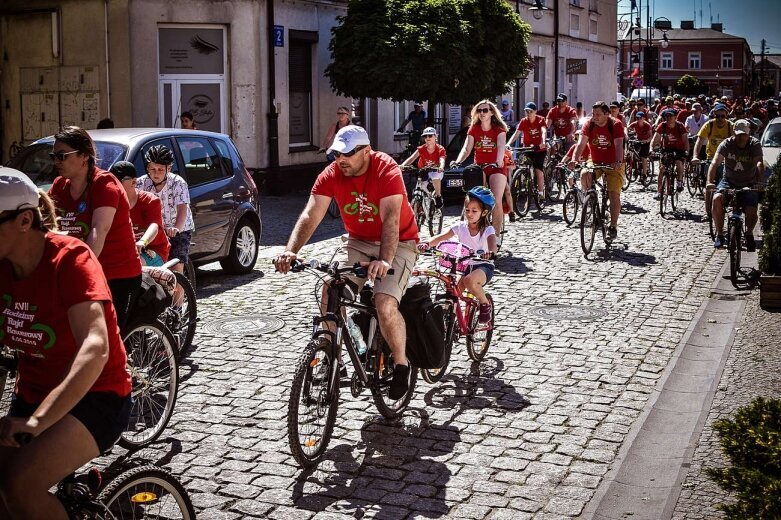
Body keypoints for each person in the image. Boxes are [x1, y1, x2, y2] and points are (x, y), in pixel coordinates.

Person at [0, 168, 132, 518]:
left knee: (20, 486)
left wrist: (37, 422)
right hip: (33, 393)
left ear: (25, 220)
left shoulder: (70, 259)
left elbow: (95, 348)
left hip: (97, 396)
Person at [273, 125, 419, 400]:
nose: (341, 160)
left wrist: (385, 260)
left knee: (384, 303)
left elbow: (391, 220)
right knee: (330, 288)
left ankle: (401, 364)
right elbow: (311, 213)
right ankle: (330, 357)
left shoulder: (386, 169)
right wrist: (290, 251)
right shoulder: (333, 173)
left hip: (399, 242)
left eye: (348, 154)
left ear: (366, 151)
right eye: (337, 154)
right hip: (358, 241)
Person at [47, 126, 142, 330]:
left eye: (62, 156)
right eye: (53, 156)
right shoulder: (59, 186)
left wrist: (78, 273)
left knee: (105, 338)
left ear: (84, 156)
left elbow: (98, 233)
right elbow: (49, 230)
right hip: (76, 272)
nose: (56, 161)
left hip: (117, 274)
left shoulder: (104, 184)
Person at [418, 187, 497, 322]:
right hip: (465, 265)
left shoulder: (488, 229)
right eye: (467, 210)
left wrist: (490, 253)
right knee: (452, 292)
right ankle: (450, 321)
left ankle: (485, 304)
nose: (469, 214)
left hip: (483, 266)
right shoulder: (460, 227)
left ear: (483, 213)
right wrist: (426, 244)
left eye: (474, 211)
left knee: (469, 281)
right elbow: (439, 238)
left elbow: (493, 246)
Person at [568, 101, 625, 241]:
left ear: (607, 114)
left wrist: (617, 161)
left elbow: (618, 145)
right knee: (585, 173)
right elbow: (581, 143)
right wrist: (574, 159)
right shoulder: (590, 124)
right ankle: (590, 199)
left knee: (613, 194)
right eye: (593, 114)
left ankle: (613, 225)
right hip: (596, 160)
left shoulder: (615, 124)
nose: (595, 117)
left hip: (614, 163)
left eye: (598, 114)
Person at [452, 100, 509, 242]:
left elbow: (501, 145)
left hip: (496, 166)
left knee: (495, 199)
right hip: (480, 166)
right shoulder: (474, 128)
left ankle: (495, 236)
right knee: (475, 198)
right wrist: (458, 161)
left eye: (485, 110)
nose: (482, 113)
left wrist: (499, 160)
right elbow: (467, 148)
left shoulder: (499, 129)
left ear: (491, 113)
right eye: (479, 110)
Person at [136, 145, 194, 276]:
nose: (156, 173)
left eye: (160, 169)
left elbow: (182, 209)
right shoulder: (141, 183)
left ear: (169, 168)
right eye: (152, 169)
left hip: (178, 229)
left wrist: (176, 228)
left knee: (175, 269)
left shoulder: (178, 183)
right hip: (154, 230)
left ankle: (179, 292)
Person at [707, 120, 764, 250]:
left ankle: (749, 233)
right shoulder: (726, 144)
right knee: (716, 199)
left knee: (751, 209)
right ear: (734, 132)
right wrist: (709, 182)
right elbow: (715, 163)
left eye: (744, 134)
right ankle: (720, 235)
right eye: (738, 134)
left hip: (749, 182)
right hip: (729, 181)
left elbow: (759, 164)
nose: (741, 137)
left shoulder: (754, 144)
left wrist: (759, 182)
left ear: (749, 134)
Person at [110, 161, 170, 267]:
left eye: (119, 181)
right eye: (112, 181)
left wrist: (142, 242)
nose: (114, 185)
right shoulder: (110, 204)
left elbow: (154, 226)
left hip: (152, 250)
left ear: (134, 182)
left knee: (134, 264)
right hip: (124, 252)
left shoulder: (149, 200)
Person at [508, 102, 548, 199]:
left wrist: (542, 142)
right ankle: (523, 182)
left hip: (539, 149)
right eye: (527, 111)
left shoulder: (540, 120)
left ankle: (540, 192)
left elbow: (543, 131)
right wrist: (508, 143)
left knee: (538, 170)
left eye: (530, 111)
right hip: (527, 148)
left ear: (535, 112)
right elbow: (516, 134)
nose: (528, 113)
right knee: (523, 165)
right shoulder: (523, 121)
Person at [400, 126, 445, 208]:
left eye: (430, 135)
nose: (428, 138)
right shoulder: (421, 149)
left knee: (435, 176)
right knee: (420, 187)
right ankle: (420, 206)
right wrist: (402, 165)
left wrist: (441, 167)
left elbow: (442, 159)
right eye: (425, 136)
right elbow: (411, 158)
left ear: (435, 137)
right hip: (424, 171)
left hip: (436, 171)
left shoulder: (440, 149)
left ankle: (438, 196)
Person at [651, 109, 689, 199]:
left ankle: (679, 182)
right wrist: (651, 149)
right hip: (666, 149)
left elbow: (685, 140)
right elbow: (655, 138)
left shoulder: (680, 126)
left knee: (679, 163)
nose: (668, 118)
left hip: (679, 149)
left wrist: (687, 151)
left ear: (675, 117)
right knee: (662, 169)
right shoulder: (662, 125)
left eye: (670, 116)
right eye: (667, 116)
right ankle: (659, 191)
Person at [627, 111, 653, 181]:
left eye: (640, 118)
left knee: (643, 157)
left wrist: (647, 140)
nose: (639, 119)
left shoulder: (647, 125)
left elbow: (651, 136)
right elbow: (627, 128)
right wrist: (626, 135)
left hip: (645, 141)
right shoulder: (635, 124)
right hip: (638, 140)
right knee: (633, 152)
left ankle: (644, 174)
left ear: (644, 118)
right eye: (637, 118)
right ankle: (635, 168)